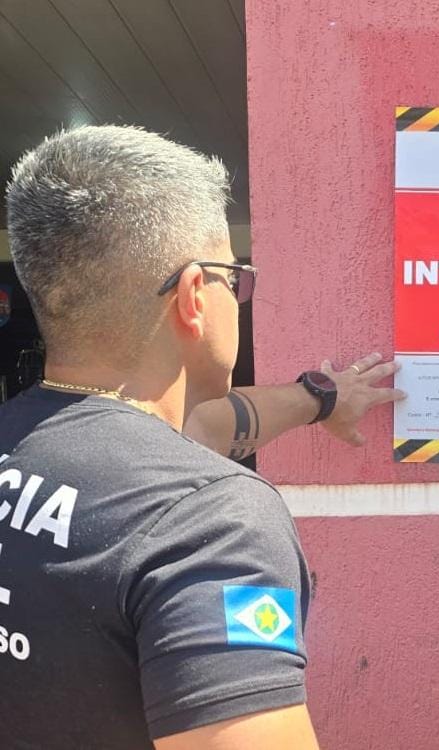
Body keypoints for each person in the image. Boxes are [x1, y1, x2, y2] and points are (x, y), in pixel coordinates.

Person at [0, 125, 402, 749]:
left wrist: (321, 398)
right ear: (194, 295)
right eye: (235, 278)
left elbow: (200, 429)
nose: (238, 295)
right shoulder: (213, 521)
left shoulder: (52, 443)